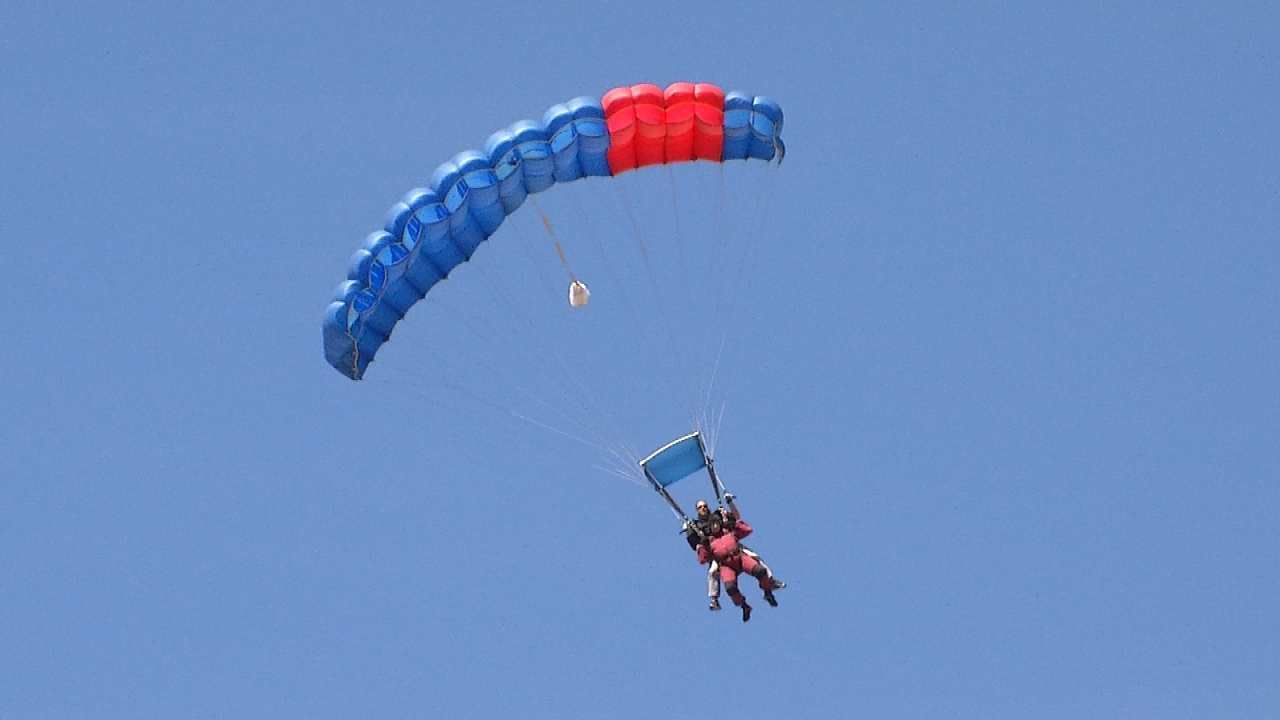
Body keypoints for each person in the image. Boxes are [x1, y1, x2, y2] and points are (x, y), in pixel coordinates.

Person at [688, 494, 782, 622]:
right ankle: (742, 605)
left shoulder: (726, 528)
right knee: (727, 585)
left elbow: (745, 528)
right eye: (700, 507)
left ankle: (768, 590)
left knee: (760, 569)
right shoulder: (705, 537)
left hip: (739, 556)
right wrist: (701, 542)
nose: (703, 508)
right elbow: (702, 558)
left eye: (705, 506)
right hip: (724, 563)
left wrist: (731, 519)